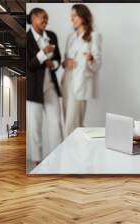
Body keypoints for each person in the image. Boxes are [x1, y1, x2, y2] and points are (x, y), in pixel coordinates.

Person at [26, 8, 64, 164]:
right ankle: (37, 161)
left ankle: (60, 157)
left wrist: (52, 63)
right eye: (43, 18)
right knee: (35, 128)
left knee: (56, 124)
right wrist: (43, 53)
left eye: (47, 19)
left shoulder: (52, 36)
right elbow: (29, 65)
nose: (46, 22)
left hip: (50, 87)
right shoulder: (26, 38)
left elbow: (58, 59)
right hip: (33, 89)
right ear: (33, 18)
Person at [61, 4, 102, 137]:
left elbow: (97, 64)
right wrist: (66, 62)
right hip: (67, 80)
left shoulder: (94, 36)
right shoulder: (70, 37)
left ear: (83, 17)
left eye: (75, 16)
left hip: (80, 82)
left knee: (72, 124)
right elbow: (65, 60)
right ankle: (77, 153)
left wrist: (90, 59)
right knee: (69, 119)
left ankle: (70, 154)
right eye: (71, 16)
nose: (72, 19)